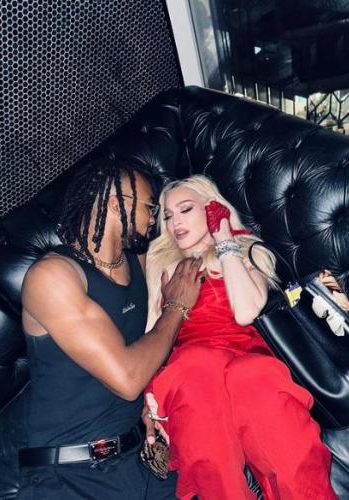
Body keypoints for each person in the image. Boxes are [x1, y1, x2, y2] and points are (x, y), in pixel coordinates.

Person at [16, 159, 204, 499]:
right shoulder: (52, 277)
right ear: (117, 205)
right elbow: (127, 379)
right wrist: (176, 308)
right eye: (150, 207)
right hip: (69, 476)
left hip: (137, 458)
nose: (154, 218)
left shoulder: (137, 260)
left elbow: (145, 347)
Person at [144, 175, 337, 500]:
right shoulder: (163, 266)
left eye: (185, 209)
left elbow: (247, 312)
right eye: (168, 215)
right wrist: (149, 395)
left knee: (251, 376)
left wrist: (224, 241)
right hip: (193, 371)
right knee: (196, 365)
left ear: (212, 207)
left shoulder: (245, 251)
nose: (175, 222)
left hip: (249, 361)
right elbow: (153, 336)